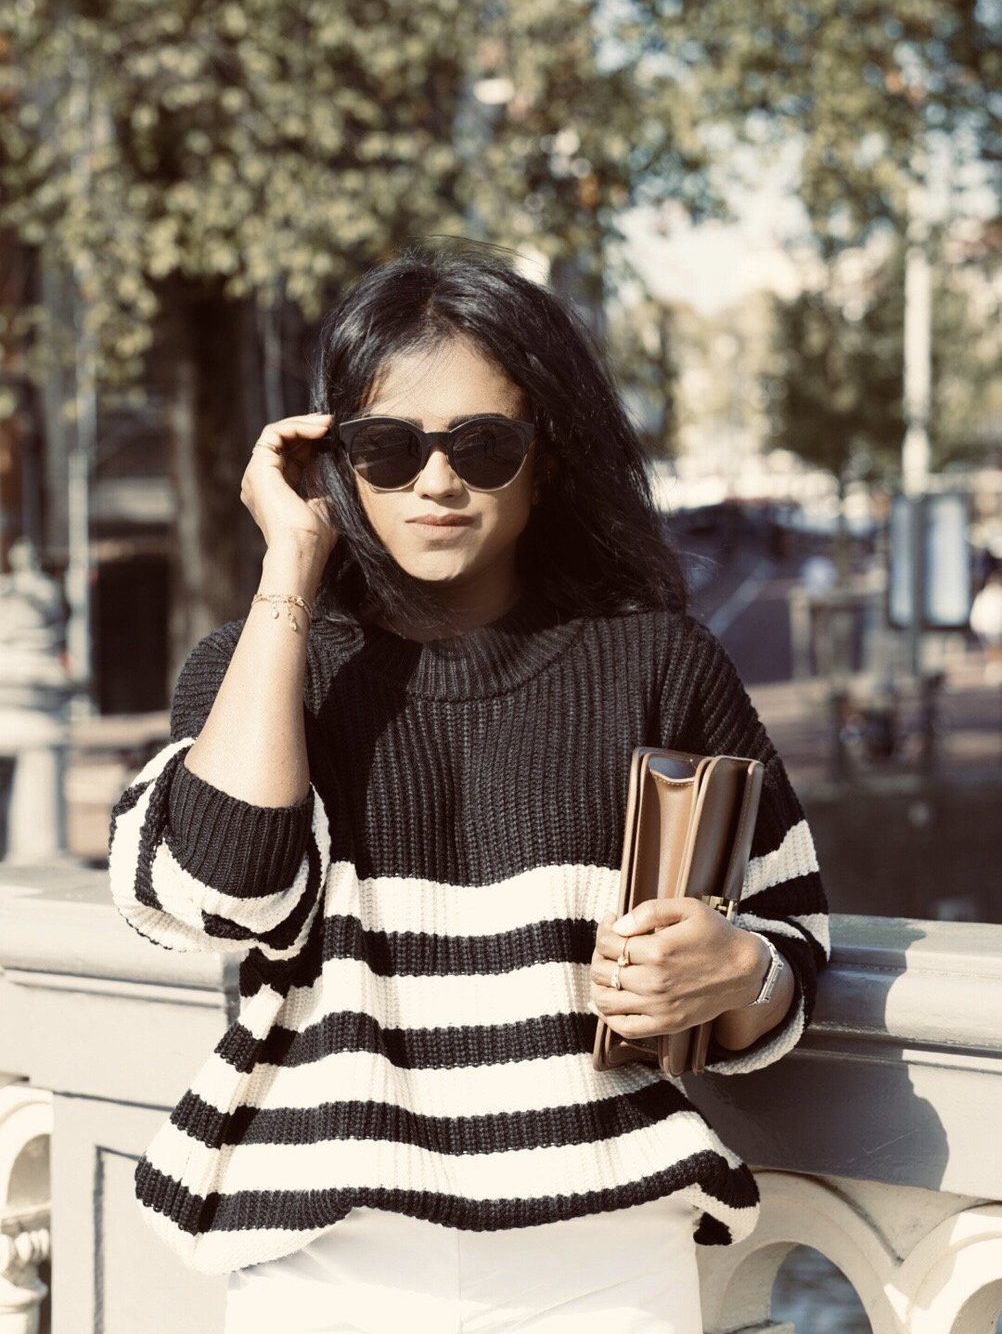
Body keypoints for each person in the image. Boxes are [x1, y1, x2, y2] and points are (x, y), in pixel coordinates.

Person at [108, 242, 829, 1334]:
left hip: (603, 1262)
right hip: (324, 1265)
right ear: (336, 459)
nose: (435, 482)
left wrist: (737, 970)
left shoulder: (660, 666)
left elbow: (790, 938)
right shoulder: (259, 664)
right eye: (386, 448)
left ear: (548, 457)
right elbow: (226, 889)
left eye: (483, 445)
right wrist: (288, 568)